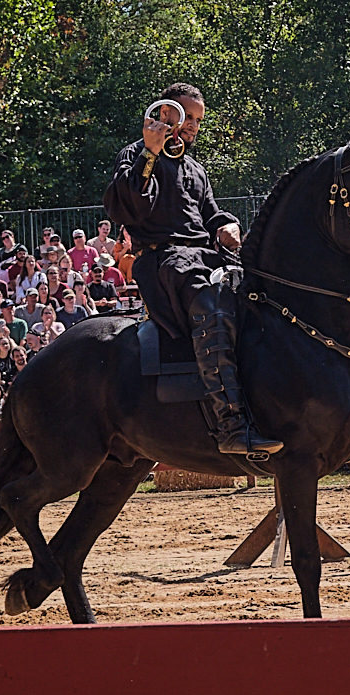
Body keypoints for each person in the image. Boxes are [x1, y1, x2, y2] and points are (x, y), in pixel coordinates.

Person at [104, 82, 281, 456]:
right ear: (166, 112)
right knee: (211, 304)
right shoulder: (134, 154)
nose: (194, 127)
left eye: (199, 121)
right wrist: (150, 154)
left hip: (203, 256)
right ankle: (230, 423)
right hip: (164, 261)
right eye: (188, 118)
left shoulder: (196, 169)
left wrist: (226, 224)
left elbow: (210, 213)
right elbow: (126, 207)